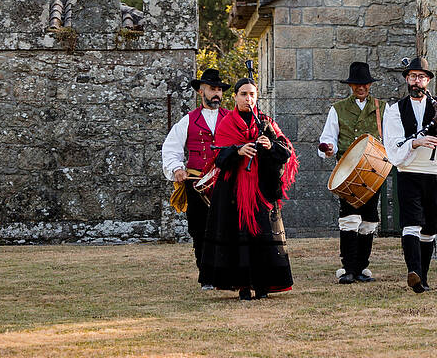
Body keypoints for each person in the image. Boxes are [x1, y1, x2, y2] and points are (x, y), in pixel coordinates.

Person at [381, 57, 437, 293]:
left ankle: (423, 277)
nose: (416, 82)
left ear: (428, 80)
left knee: (430, 228)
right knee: (411, 223)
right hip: (409, 172)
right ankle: (413, 272)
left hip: (433, 172)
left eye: (421, 77)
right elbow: (392, 146)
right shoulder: (395, 110)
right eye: (412, 76)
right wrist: (415, 142)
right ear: (406, 79)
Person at [200, 78, 298, 299]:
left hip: (262, 189)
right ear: (235, 97)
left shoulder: (266, 122)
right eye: (243, 94)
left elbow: (286, 151)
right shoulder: (226, 124)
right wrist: (238, 151)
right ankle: (243, 286)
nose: (248, 99)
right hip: (232, 191)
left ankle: (263, 285)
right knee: (237, 237)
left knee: (263, 236)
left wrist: (270, 145)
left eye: (252, 94)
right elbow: (219, 156)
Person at [318, 61, 384, 284]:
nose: (361, 87)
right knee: (349, 218)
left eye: (364, 84)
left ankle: (361, 267)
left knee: (370, 219)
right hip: (347, 172)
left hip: (375, 171)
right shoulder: (337, 109)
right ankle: (348, 268)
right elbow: (329, 137)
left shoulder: (383, 108)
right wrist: (327, 149)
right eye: (356, 84)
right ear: (351, 86)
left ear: (369, 85)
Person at [160, 67, 226, 287]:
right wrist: (177, 169)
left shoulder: (232, 118)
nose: (216, 93)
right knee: (200, 231)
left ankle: (229, 273)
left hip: (227, 183)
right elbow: (171, 148)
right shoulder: (188, 120)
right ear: (201, 91)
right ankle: (206, 276)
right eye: (211, 89)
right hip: (197, 184)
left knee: (228, 228)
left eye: (219, 89)